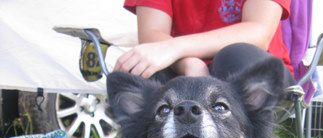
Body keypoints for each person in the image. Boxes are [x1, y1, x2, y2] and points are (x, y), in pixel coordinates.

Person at [115, 0, 293, 85]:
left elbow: (258, 32)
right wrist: (190, 64)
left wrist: (176, 48)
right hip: (180, 68)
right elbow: (152, 35)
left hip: (253, 70)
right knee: (141, 68)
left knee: (236, 57)